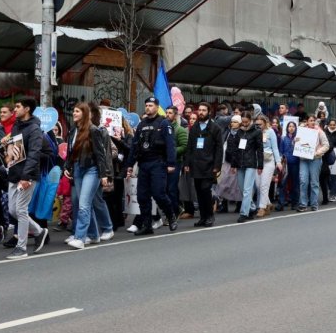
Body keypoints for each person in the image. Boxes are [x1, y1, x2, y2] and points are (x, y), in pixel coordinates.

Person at [0, 98, 51, 259]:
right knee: (13, 210)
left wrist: (26, 176)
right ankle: (39, 231)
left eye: (17, 107)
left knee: (21, 210)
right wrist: (7, 149)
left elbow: (35, 153)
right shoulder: (17, 125)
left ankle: (21, 248)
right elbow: (15, 149)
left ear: (27, 109)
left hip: (26, 175)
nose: (15, 110)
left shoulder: (34, 129)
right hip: (14, 173)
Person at [65, 102, 114, 249]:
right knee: (85, 203)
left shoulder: (93, 130)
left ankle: (80, 237)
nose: (74, 113)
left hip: (92, 170)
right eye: (74, 111)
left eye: (78, 111)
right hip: (78, 169)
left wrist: (104, 174)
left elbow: (100, 154)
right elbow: (70, 151)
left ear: (85, 114)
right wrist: (67, 166)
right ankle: (93, 235)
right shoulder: (73, 130)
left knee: (84, 204)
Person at [126, 96, 178, 235]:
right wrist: (130, 164)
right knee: (142, 197)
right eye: (146, 105)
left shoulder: (164, 123)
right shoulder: (142, 125)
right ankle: (147, 225)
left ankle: (171, 216)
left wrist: (171, 163)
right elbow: (134, 146)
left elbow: (171, 145)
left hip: (158, 163)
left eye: (151, 105)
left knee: (159, 194)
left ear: (156, 107)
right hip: (144, 163)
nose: (148, 107)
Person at [183, 103, 223, 227]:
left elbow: (219, 149)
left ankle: (210, 216)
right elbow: (189, 147)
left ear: (209, 112)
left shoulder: (215, 128)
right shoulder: (194, 127)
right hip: (196, 165)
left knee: (206, 191)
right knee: (199, 192)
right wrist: (187, 163)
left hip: (209, 165)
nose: (201, 112)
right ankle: (203, 217)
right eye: (199, 110)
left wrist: (217, 166)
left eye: (204, 110)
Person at [227, 114, 263, 223]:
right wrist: (233, 164)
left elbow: (259, 149)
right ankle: (251, 208)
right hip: (239, 163)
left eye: (247, 122)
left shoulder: (257, 132)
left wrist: (260, 165)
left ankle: (244, 213)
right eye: (243, 122)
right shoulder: (239, 132)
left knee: (247, 190)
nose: (245, 124)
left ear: (251, 121)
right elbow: (235, 149)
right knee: (243, 189)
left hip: (251, 163)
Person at [254, 114, 280, 217]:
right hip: (257, 161)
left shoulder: (271, 132)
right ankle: (268, 204)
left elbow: (275, 148)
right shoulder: (255, 132)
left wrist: (278, 162)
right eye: (257, 124)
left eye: (260, 124)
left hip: (268, 161)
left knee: (264, 185)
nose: (259, 126)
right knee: (258, 185)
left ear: (265, 123)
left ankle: (262, 208)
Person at [279, 120, 299, 210]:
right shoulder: (283, 138)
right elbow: (280, 151)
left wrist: (296, 143)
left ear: (295, 128)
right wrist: (282, 158)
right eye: (289, 126)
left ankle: (295, 203)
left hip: (295, 163)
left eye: (293, 126)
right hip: (286, 164)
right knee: (283, 184)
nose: (291, 128)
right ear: (287, 128)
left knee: (295, 184)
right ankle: (281, 203)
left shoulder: (298, 138)